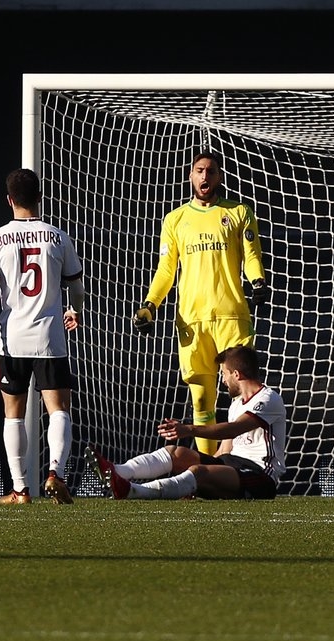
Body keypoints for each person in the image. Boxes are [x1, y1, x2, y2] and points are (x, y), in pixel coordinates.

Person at [132, 151, 270, 455]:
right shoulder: (176, 219)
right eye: (199, 171)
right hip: (192, 321)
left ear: (219, 177)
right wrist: (150, 304)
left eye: (210, 171)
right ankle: (206, 470)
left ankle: (251, 462)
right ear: (191, 176)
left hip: (231, 316)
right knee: (201, 400)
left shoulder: (238, 212)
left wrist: (257, 280)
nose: (204, 176)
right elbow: (166, 269)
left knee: (244, 393)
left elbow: (251, 256)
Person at [0, 168, 86, 505]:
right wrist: (73, 310)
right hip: (49, 337)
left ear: (9, 200)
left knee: (13, 413)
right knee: (58, 409)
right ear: (40, 198)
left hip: (12, 337)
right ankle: (56, 474)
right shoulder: (58, 237)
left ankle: (20, 490)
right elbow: (77, 288)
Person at [88, 344, 287, 500]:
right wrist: (211, 468)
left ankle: (134, 491)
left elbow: (233, 429)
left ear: (237, 374)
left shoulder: (268, 399)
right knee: (175, 452)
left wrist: (189, 429)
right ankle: (115, 471)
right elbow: (225, 450)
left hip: (259, 475)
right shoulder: (236, 404)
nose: (223, 380)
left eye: (224, 374)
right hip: (232, 465)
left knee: (197, 472)